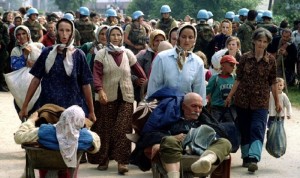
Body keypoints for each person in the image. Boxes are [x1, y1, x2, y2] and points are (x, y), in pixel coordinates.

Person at [134, 91, 231, 178]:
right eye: (194, 106)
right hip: (178, 150)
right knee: (169, 140)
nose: (197, 110)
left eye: (200, 107)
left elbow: (218, 134)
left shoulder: (203, 121)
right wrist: (171, 137)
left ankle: (206, 160)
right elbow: (150, 135)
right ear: (183, 106)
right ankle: (174, 175)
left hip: (201, 150)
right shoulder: (172, 120)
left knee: (225, 142)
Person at [225, 28, 282, 173]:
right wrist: (230, 95)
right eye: (259, 41)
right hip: (242, 100)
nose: (261, 44)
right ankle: (246, 156)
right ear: (254, 41)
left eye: (264, 42)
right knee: (244, 129)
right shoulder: (244, 58)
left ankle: (254, 157)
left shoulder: (271, 61)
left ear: (268, 43)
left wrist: (277, 101)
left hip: (261, 101)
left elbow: (273, 82)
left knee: (257, 127)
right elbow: (238, 79)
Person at [91, 26, 147, 174]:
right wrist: (100, 90)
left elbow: (140, 72)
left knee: (123, 128)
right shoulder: (101, 54)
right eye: (113, 35)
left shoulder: (128, 53)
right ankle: (103, 160)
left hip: (126, 97)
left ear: (122, 37)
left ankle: (122, 162)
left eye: (118, 35)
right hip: (106, 97)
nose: (116, 38)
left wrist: (139, 81)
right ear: (108, 37)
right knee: (105, 128)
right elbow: (96, 75)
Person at [19, 18, 96, 123]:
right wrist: (25, 106)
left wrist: (91, 111)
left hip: (73, 108)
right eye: (61, 30)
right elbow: (36, 79)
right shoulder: (47, 52)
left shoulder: (79, 55)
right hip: (48, 108)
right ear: (56, 31)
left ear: (72, 33)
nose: (64, 34)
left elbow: (86, 84)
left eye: (68, 30)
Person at [14, 105, 100, 178]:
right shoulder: (86, 137)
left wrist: (31, 120)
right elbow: (96, 146)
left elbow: (18, 136)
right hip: (69, 168)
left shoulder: (45, 131)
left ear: (62, 117)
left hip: (45, 164)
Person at [147, 24, 207, 105]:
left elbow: (200, 91)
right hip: (163, 107)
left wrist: (199, 108)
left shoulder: (198, 62)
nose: (187, 41)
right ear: (178, 37)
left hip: (187, 110)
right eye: (183, 37)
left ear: (194, 39)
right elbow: (153, 87)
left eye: (190, 37)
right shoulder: (162, 58)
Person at [10, 25, 44, 114]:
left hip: (38, 85)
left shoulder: (39, 47)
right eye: (18, 34)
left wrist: (35, 65)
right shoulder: (16, 50)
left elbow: (47, 62)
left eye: (24, 33)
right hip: (22, 87)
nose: (21, 36)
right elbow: (14, 67)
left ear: (28, 34)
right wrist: (24, 55)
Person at [133, 29, 166, 102]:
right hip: (144, 91)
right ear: (152, 41)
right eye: (157, 40)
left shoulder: (167, 56)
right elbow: (131, 70)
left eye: (162, 40)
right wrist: (136, 80)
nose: (160, 43)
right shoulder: (143, 55)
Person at [206, 55, 238, 123]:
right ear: (223, 65)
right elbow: (207, 90)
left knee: (231, 126)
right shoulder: (215, 78)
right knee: (215, 125)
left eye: (234, 65)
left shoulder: (234, 78)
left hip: (230, 109)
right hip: (216, 108)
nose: (234, 67)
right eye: (231, 65)